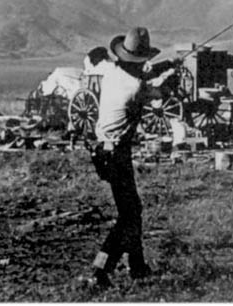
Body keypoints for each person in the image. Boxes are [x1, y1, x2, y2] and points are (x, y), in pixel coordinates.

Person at [90, 26, 163, 288]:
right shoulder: (135, 89)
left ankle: (138, 266)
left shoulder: (112, 71)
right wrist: (168, 78)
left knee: (132, 211)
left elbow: (142, 75)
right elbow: (156, 93)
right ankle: (101, 268)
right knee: (129, 215)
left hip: (104, 152)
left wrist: (161, 68)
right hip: (116, 156)